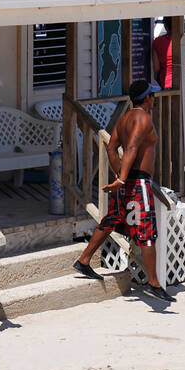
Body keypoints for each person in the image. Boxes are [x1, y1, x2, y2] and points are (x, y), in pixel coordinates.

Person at [72, 79, 173, 301]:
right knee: (146, 232)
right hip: (137, 182)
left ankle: (84, 260)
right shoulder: (143, 118)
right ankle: (154, 284)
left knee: (112, 220)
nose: (154, 99)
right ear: (147, 98)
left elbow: (111, 147)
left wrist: (119, 176)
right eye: (153, 96)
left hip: (126, 181)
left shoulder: (124, 118)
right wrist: (125, 177)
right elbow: (132, 148)